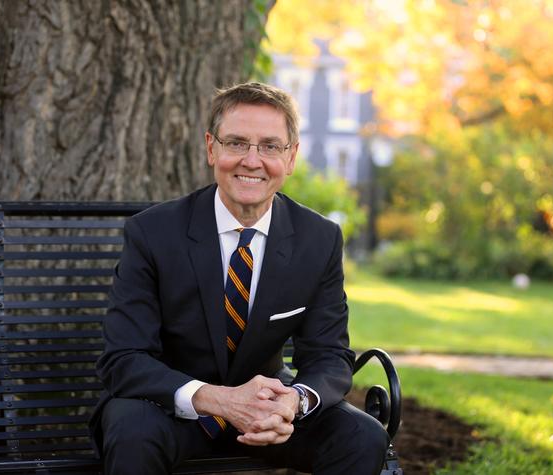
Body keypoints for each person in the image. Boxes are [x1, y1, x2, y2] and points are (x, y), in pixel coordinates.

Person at [90, 82, 390, 474]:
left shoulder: (319, 238)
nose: (253, 160)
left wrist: (293, 401)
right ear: (212, 147)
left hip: (269, 414)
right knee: (131, 430)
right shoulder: (152, 232)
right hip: (169, 408)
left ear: (292, 156)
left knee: (361, 435)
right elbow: (123, 358)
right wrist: (217, 400)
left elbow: (328, 355)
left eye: (270, 146)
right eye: (237, 143)